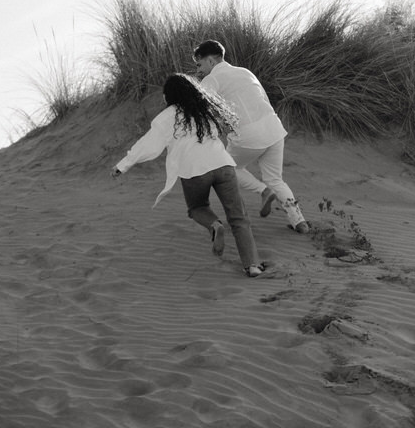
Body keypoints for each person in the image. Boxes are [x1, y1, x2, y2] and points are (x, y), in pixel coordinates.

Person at [111, 73, 265, 277]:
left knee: (197, 208)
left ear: (170, 96)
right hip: (223, 165)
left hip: (194, 171)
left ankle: (214, 225)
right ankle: (253, 265)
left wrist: (123, 165)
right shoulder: (206, 108)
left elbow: (148, 145)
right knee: (239, 218)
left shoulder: (166, 117)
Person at [193, 39, 308, 233]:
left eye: (199, 64)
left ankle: (263, 191)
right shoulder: (245, 72)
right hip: (273, 129)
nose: (199, 69)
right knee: (276, 179)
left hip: (248, 134)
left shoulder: (211, 79)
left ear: (211, 61)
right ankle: (299, 221)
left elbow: (201, 109)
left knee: (226, 167)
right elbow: (263, 99)